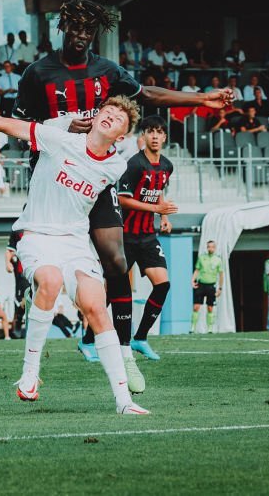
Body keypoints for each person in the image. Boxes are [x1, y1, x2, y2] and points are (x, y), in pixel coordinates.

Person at [11, 0, 232, 379]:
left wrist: (201, 99)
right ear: (62, 28)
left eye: (89, 29)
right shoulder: (37, 74)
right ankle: (33, 303)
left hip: (94, 177)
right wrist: (61, 128)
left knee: (115, 259)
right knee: (49, 268)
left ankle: (125, 352)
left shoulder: (107, 71)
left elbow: (146, 95)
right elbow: (20, 131)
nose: (81, 35)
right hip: (54, 182)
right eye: (75, 27)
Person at [0, 94, 150, 415]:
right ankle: (29, 373)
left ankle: (124, 402)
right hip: (36, 234)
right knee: (50, 281)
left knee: (96, 306)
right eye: (107, 111)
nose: (111, 117)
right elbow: (1, 123)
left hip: (75, 243)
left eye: (119, 118)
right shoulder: (58, 139)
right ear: (95, 118)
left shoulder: (116, 165)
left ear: (121, 136)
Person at [116, 115, 177, 369]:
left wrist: (163, 216)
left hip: (148, 236)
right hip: (126, 236)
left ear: (164, 137)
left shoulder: (167, 166)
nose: (155, 136)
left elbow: (159, 190)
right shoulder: (134, 164)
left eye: (159, 132)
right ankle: (87, 340)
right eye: (150, 131)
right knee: (114, 293)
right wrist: (156, 208)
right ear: (143, 136)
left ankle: (140, 337)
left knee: (163, 285)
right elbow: (121, 198)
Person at [191, 241, 223, 334]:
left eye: (212, 247)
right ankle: (193, 328)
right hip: (201, 285)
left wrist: (220, 288)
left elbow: (221, 275)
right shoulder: (202, 258)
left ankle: (210, 328)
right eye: (209, 247)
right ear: (207, 247)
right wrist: (192, 280)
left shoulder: (218, 260)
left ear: (215, 248)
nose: (210, 248)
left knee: (210, 307)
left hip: (211, 285)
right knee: (196, 307)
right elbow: (197, 270)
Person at [5, 229, 30, 338]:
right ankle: (18, 324)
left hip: (37, 270)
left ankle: (31, 330)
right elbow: (9, 250)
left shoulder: (40, 227)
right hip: (22, 272)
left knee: (36, 297)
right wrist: (7, 263)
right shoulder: (18, 230)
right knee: (22, 300)